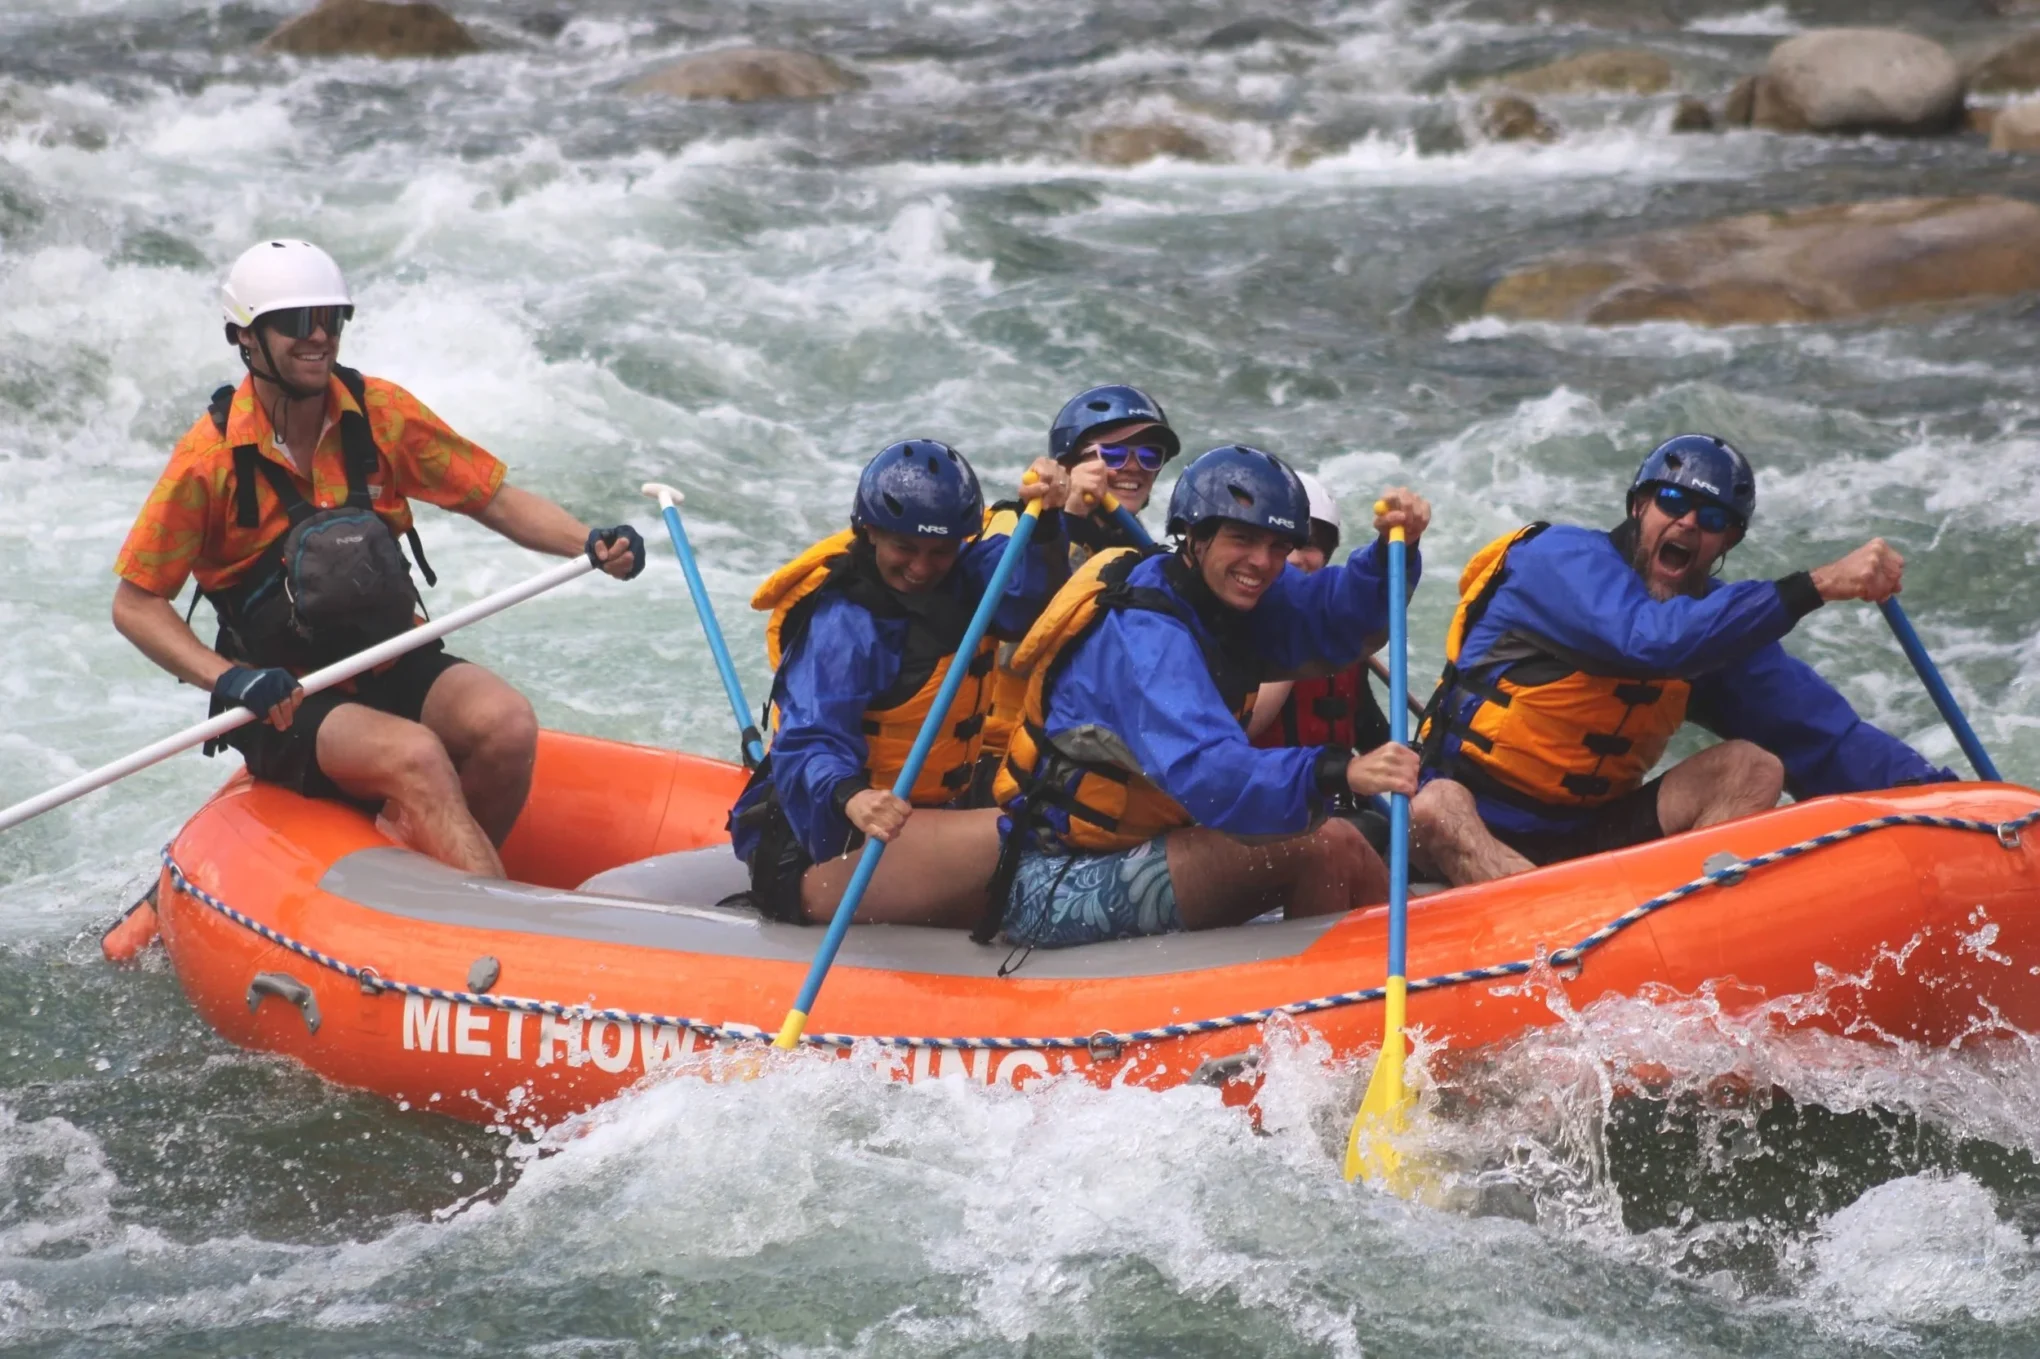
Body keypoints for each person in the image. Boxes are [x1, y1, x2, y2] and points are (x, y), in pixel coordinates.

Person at [112, 239, 644, 878]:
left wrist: (589, 542)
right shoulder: (210, 462)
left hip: (390, 660)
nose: (319, 338)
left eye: (330, 319)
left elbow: (493, 499)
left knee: (507, 722)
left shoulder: (381, 414)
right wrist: (228, 679)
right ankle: (493, 923)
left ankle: (443, 880)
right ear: (245, 338)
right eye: (296, 322)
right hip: (286, 695)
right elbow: (136, 604)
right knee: (416, 754)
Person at [1408, 433, 1956, 887]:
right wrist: (1816, 585)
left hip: (1586, 838)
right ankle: (1549, 930)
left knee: (1751, 767)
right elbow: (1646, 640)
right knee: (1439, 804)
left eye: (1713, 517)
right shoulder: (1558, 561)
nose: (1690, 523)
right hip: (1470, 822)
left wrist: (1944, 801)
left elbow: (1822, 737)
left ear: (1727, 542)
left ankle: (1687, 931)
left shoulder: (1711, 627)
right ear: (1637, 506)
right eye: (1672, 502)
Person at [986, 444, 1431, 950]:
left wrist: (1391, 551)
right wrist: (1337, 771)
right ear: (1194, 538)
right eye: (1241, 539)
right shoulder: (1145, 637)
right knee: (1326, 845)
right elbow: (1213, 774)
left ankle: (1425, 959)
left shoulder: (1229, 594)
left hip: (1148, 845)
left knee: (1334, 841)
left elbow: (1332, 614)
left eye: (1277, 546)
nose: (1262, 563)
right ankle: (1358, 989)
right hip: (1055, 882)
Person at [729, 440, 1079, 928]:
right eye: (905, 548)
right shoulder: (845, 624)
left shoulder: (968, 573)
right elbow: (809, 740)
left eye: (939, 551)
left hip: (928, 815)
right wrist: (854, 797)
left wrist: (1043, 519)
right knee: (1045, 828)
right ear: (870, 531)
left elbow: (1027, 603)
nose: (920, 568)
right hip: (832, 842)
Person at [977, 384, 1181, 787]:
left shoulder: (1135, 550)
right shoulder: (1013, 528)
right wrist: (1068, 518)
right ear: (1068, 466)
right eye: (1113, 454)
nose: (1134, 467)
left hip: (1077, 755)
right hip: (995, 758)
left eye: (1148, 456)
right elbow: (1016, 646)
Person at [1246, 470, 1393, 775]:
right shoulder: (1233, 624)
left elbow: (1369, 730)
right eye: (1286, 546)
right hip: (1267, 802)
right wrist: (1291, 627)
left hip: (1337, 798)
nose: (1299, 558)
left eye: (1310, 545)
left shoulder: (1339, 635)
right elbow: (1244, 729)